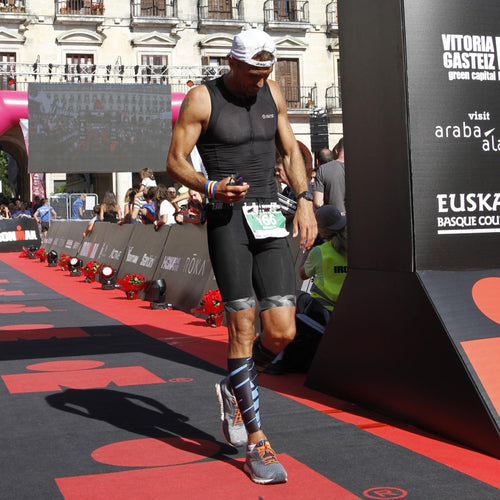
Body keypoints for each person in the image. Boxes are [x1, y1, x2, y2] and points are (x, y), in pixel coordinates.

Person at [167, 29, 317, 485]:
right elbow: (175, 160)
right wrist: (209, 187)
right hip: (226, 220)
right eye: (252, 73)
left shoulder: (272, 90)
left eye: (265, 72)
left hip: (270, 217)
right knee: (242, 324)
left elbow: (289, 149)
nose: (259, 81)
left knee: (281, 332)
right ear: (231, 64)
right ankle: (256, 442)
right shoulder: (201, 99)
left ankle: (234, 383)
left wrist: (306, 199)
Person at [299, 205, 348, 323]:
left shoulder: (319, 251)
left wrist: (308, 249)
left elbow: (303, 274)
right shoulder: (356, 248)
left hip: (323, 308)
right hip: (347, 306)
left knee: (295, 298)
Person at [313, 137, 345, 214]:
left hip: (336, 220)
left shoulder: (323, 169)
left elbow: (318, 203)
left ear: (337, 151)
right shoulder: (363, 168)